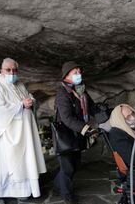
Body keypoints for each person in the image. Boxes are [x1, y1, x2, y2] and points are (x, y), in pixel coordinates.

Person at [0, 58, 46, 204]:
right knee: (5, 164)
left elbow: (28, 98)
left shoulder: (20, 84)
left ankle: (22, 190)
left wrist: (31, 101)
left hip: (23, 132)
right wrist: (21, 105)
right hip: (6, 135)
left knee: (23, 162)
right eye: (8, 70)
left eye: (15, 70)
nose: (12, 73)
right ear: (1, 71)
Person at [54, 61, 98, 204]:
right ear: (66, 76)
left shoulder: (81, 89)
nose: (79, 75)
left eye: (80, 72)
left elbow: (91, 107)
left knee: (75, 164)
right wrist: (86, 129)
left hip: (77, 134)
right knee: (67, 167)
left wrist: (103, 113)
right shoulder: (62, 93)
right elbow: (66, 118)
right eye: (75, 72)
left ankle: (57, 184)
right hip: (66, 135)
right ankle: (67, 195)